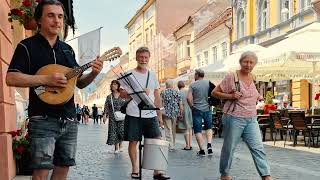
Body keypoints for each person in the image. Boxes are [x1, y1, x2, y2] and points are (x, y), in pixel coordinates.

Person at [5, 1, 104, 180]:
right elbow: (11, 77)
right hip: (42, 119)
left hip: (69, 119)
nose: (57, 21)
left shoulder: (67, 50)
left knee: (63, 169)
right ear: (39, 20)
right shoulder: (27, 46)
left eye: (60, 16)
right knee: (41, 172)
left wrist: (94, 73)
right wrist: (45, 79)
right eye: (51, 15)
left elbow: (78, 83)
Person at [212, 51, 272, 180]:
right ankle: (224, 175)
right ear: (240, 62)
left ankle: (266, 175)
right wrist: (231, 96)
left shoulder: (254, 77)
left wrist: (258, 97)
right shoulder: (231, 77)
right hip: (234, 118)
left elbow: (252, 94)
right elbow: (214, 93)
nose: (248, 65)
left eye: (251, 62)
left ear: (254, 64)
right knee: (229, 148)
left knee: (258, 147)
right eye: (246, 61)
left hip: (251, 119)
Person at [122, 47, 170, 179]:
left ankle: (157, 170)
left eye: (146, 57)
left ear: (149, 59)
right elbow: (122, 94)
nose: (143, 60)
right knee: (133, 141)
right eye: (141, 57)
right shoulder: (128, 74)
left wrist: (159, 116)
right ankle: (135, 168)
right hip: (133, 114)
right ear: (136, 58)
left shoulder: (152, 75)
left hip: (150, 114)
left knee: (157, 140)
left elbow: (157, 96)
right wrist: (137, 92)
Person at [187, 69, 213, 156]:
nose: (194, 76)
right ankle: (209, 145)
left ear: (197, 75)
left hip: (197, 109)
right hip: (207, 109)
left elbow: (188, 98)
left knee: (198, 130)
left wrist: (191, 106)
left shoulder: (193, 85)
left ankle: (202, 150)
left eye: (195, 74)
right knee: (208, 127)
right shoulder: (209, 83)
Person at [103, 80, 126, 153]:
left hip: (122, 116)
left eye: (115, 84)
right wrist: (104, 115)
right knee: (114, 131)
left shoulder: (122, 95)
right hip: (113, 116)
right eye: (112, 84)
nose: (113, 85)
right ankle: (116, 148)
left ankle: (121, 145)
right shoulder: (109, 96)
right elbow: (106, 106)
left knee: (121, 131)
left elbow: (127, 104)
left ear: (118, 86)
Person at [160, 79, 183, 150]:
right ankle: (173, 143)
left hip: (166, 113)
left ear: (166, 85)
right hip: (175, 113)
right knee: (173, 129)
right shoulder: (176, 92)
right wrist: (181, 113)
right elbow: (180, 104)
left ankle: (170, 145)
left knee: (168, 128)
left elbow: (161, 104)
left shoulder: (163, 93)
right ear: (172, 85)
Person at [177, 81, 193, 150]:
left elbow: (179, 104)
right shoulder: (188, 91)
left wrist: (180, 113)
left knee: (185, 129)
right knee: (189, 128)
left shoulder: (178, 93)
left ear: (178, 86)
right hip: (190, 110)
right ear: (183, 85)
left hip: (183, 110)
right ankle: (190, 144)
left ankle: (187, 145)